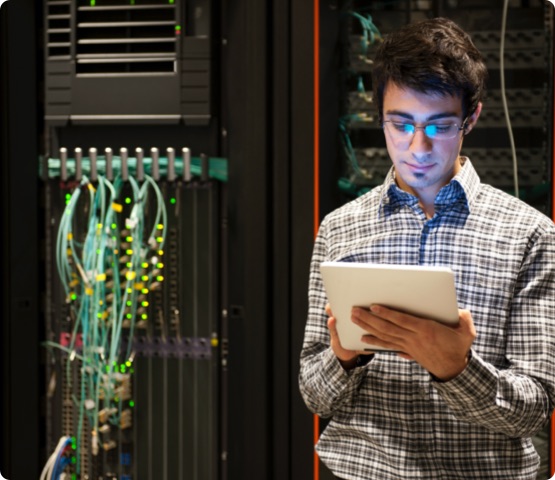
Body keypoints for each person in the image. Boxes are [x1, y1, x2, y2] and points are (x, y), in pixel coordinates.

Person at [299, 17, 555, 480]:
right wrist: (342, 357)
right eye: (400, 125)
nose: (417, 147)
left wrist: (456, 369)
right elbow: (315, 396)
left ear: (470, 118)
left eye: (439, 126)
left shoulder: (529, 235)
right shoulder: (340, 229)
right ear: (380, 115)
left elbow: (534, 408)